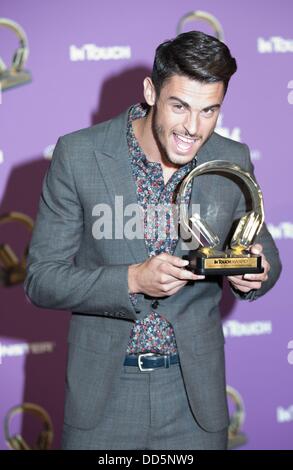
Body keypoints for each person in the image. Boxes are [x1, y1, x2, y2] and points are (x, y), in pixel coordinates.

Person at [24, 31, 281, 450]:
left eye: (209, 110)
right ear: (150, 91)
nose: (192, 128)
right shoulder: (79, 154)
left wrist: (258, 272)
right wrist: (131, 280)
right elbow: (41, 279)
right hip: (103, 396)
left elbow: (265, 251)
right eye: (179, 106)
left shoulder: (232, 158)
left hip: (194, 397)